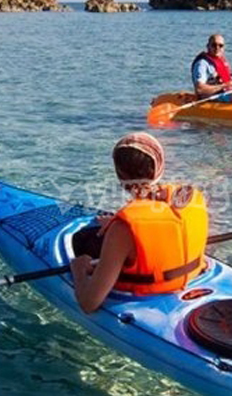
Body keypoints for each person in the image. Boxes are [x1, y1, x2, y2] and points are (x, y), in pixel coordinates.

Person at [70, 132, 209, 313]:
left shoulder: (123, 229)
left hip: (145, 297)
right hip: (194, 279)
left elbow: (89, 304)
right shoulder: (191, 197)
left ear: (119, 174)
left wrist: (79, 270)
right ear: (159, 167)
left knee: (81, 240)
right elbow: (162, 221)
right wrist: (114, 226)